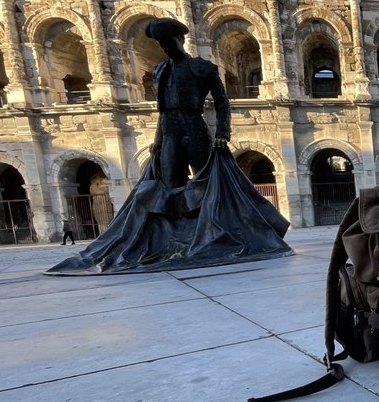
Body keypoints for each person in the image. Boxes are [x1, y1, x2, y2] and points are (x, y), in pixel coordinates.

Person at [47, 18, 291, 275]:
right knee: (168, 185)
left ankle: (213, 232)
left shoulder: (202, 68)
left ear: (181, 40)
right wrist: (157, 142)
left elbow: (222, 102)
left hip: (195, 126)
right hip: (170, 130)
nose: (165, 47)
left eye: (169, 42)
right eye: (162, 44)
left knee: (208, 183)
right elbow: (162, 111)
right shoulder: (161, 70)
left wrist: (222, 133)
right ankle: (176, 240)